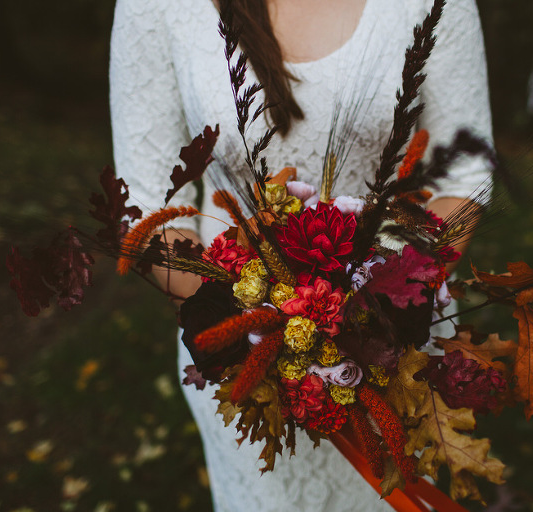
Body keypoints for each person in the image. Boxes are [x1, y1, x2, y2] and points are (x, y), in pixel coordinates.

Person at [110, 0, 493, 510]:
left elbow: (465, 175)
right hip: (244, 362)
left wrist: (382, 301)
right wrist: (253, 320)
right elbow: (145, 202)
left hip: (394, 353)